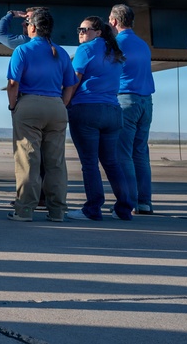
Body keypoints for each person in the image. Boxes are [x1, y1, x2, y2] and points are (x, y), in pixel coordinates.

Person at [6, 8, 78, 222]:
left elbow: (13, 83)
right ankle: (57, 211)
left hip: (29, 105)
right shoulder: (61, 52)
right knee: (56, 162)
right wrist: (62, 104)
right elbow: (70, 85)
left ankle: (25, 210)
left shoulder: (23, 51)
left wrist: (13, 106)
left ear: (33, 27)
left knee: (28, 159)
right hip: (56, 106)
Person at [66, 16, 133, 221]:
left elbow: (73, 81)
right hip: (113, 111)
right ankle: (124, 208)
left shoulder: (85, 50)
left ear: (98, 32)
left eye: (85, 29)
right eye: (79, 28)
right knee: (111, 162)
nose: (80, 32)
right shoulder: (115, 52)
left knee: (89, 163)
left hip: (87, 110)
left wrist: (63, 105)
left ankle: (93, 209)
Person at [109, 4, 156, 215]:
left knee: (123, 154)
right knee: (140, 153)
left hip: (126, 101)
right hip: (146, 102)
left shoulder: (116, 43)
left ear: (114, 22)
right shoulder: (143, 44)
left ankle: (129, 201)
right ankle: (144, 202)